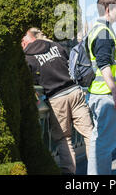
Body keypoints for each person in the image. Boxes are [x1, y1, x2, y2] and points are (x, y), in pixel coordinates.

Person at [23, 28, 93, 175]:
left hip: (56, 98)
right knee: (89, 134)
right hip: (75, 92)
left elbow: (30, 81)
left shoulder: (27, 58)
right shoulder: (55, 46)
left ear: (24, 42)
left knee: (64, 139)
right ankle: (96, 171)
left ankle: (69, 174)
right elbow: (70, 63)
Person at [87, 0, 116, 175]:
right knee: (104, 145)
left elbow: (112, 57)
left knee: (98, 142)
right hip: (105, 95)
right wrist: (115, 93)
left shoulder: (98, 29)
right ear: (109, 8)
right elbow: (103, 64)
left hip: (97, 93)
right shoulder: (103, 33)